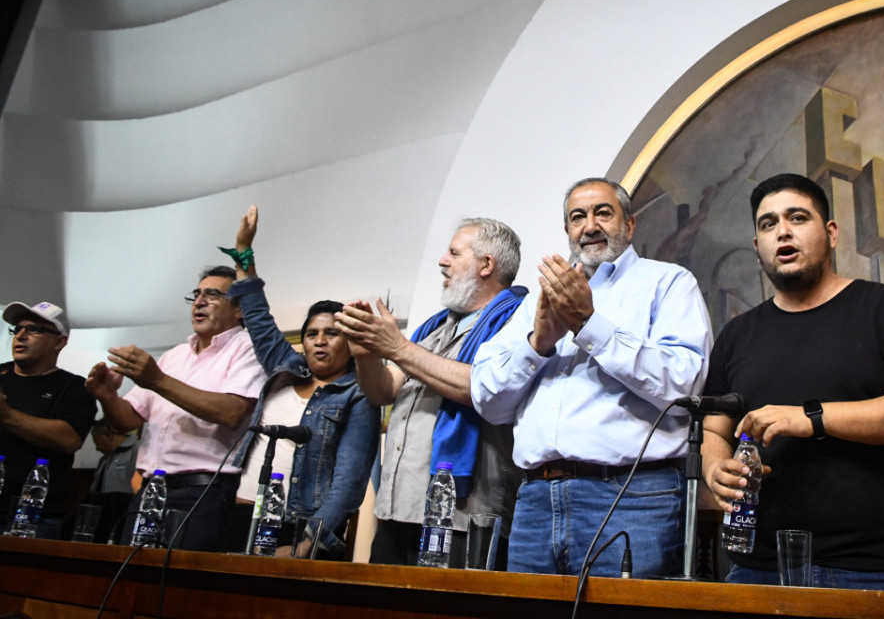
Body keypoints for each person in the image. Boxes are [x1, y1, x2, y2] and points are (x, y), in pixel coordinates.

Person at [700, 173, 884, 590]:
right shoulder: (737, 334)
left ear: (831, 232)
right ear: (757, 247)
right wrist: (714, 466)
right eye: (768, 224)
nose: (782, 231)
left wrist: (812, 417)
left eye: (797, 218)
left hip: (875, 570)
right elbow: (714, 426)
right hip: (757, 571)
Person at [471, 177, 712, 578]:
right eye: (577, 217)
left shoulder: (667, 283)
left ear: (629, 225)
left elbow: (684, 385)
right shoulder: (536, 300)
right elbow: (489, 402)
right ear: (568, 231)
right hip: (534, 501)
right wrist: (538, 344)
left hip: (631, 499)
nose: (590, 226)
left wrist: (589, 323)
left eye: (603, 212)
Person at [335, 217, 527, 566]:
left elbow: (479, 387)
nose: (442, 261)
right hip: (399, 506)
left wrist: (397, 348)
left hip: (462, 517)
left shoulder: (517, 320)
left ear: (486, 265)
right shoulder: (436, 325)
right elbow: (386, 390)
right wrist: (365, 356)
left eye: (454, 253)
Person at [221, 206, 379, 558]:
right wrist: (243, 250)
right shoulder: (287, 367)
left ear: (350, 343)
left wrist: (309, 541)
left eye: (332, 333)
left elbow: (348, 483)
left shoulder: (358, 394)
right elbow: (258, 318)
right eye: (311, 334)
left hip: (298, 526)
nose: (319, 341)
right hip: (242, 511)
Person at [85, 266, 267, 551]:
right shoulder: (174, 356)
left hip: (202, 493)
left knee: (179, 587)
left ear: (240, 310)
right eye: (196, 294)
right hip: (148, 490)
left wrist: (157, 380)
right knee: (129, 582)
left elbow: (231, 412)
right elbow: (126, 420)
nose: (199, 301)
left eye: (213, 295)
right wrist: (107, 396)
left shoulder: (248, 348)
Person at [0, 301, 96, 539]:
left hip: (33, 516)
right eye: (17, 329)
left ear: (60, 341)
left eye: (33, 329)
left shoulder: (74, 388)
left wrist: (7, 415)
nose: (21, 335)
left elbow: (69, 439)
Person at [89, 419, 139, 495]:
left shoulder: (138, 451)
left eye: (97, 442)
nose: (97, 448)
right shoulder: (104, 460)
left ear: (108, 435)